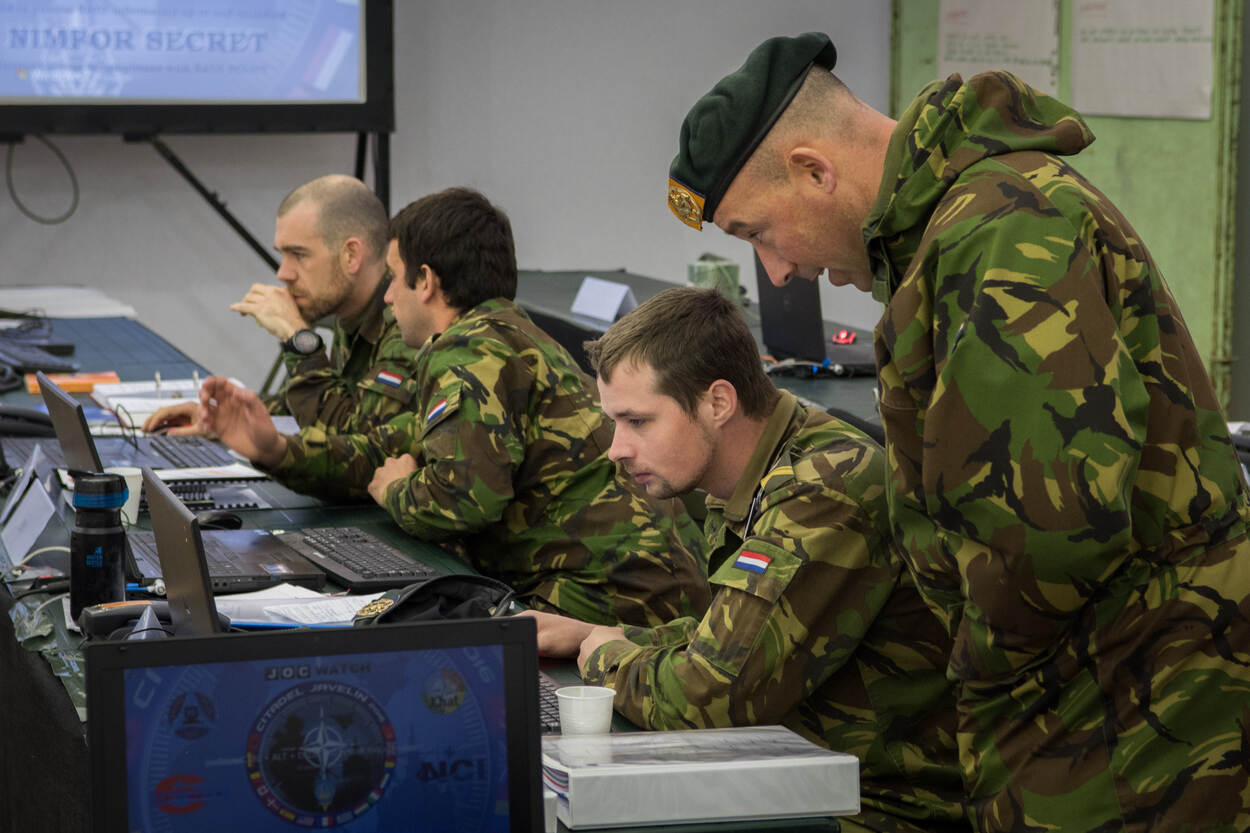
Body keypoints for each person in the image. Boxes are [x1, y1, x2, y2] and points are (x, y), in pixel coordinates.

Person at [662, 32, 1250, 833]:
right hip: (1097, 696)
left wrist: (973, 665)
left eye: (757, 232)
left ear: (813, 170)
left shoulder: (993, 234)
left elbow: (1044, 537)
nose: (778, 271)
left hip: (1128, 718)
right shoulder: (960, 227)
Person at [527, 287, 967, 833]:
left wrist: (603, 658)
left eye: (637, 421)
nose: (617, 448)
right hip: (802, 775)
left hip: (876, 807)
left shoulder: (823, 492)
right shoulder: (756, 473)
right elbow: (727, 640)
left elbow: (706, 699)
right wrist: (597, 633)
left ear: (718, 403)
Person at [192, 187, 711, 629]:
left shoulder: (468, 352)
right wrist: (276, 449)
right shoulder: (502, 335)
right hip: (643, 583)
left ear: (426, 281)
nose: (388, 298)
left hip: (611, 597)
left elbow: (461, 501)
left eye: (394, 277)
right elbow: (390, 443)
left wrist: (396, 490)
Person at [143, 174, 419, 436]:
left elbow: (354, 442)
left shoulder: (406, 321)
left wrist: (299, 340)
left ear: (351, 255)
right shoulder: (350, 309)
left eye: (299, 254)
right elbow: (309, 406)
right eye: (283, 255)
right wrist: (221, 417)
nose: (283, 273)